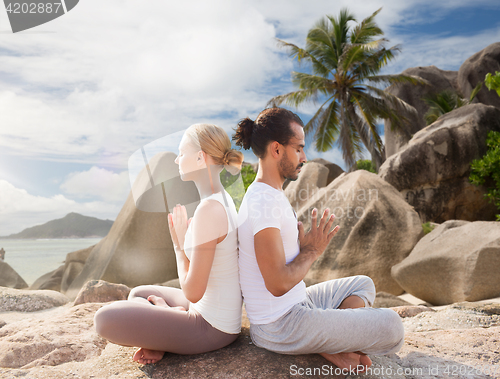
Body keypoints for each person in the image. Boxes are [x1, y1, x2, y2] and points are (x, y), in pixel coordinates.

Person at [233, 107, 404, 374]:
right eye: (298, 148)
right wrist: (311, 251)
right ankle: (329, 341)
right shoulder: (263, 202)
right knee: (393, 326)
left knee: (363, 284)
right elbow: (277, 284)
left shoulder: (272, 194)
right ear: (277, 150)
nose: (304, 156)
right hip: (279, 324)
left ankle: (331, 343)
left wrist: (299, 249)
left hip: (299, 304)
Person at [94, 123, 244, 364]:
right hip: (211, 313)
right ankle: (162, 333)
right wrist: (186, 241)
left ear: (199, 157)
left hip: (210, 327)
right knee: (140, 293)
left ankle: (165, 324)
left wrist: (178, 245)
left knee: (103, 319)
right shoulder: (220, 199)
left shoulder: (210, 209)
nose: (176, 160)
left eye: (181, 153)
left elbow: (193, 292)